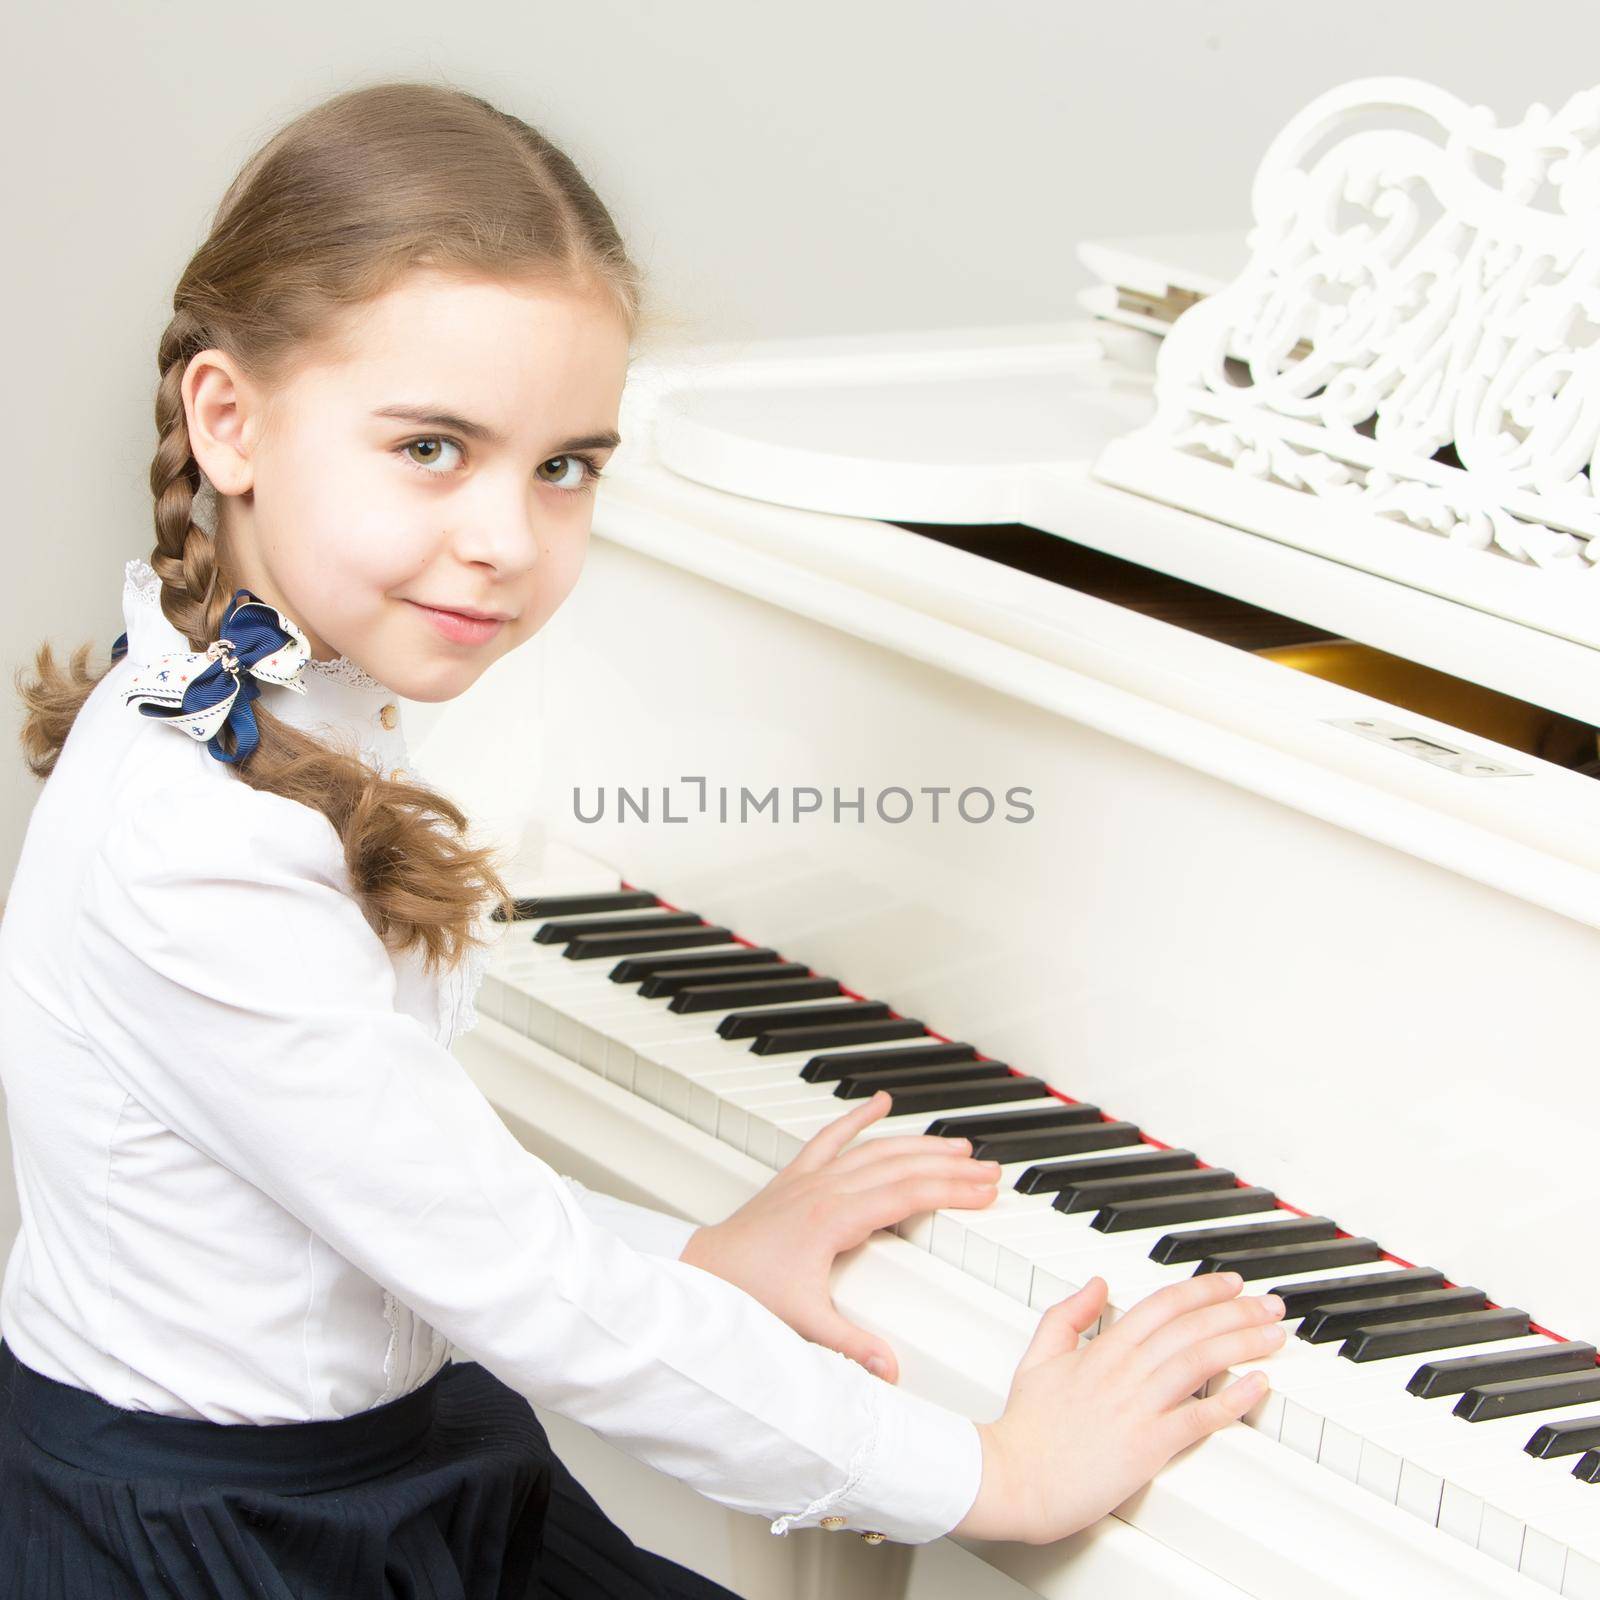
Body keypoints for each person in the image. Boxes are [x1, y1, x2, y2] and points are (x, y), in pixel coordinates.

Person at [0, 79, 1285, 1599]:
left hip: (393, 1461)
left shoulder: (309, 691)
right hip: (228, 1543)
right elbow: (507, 1273)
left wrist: (694, 1258)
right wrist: (984, 1476)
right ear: (230, 420)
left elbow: (418, 1181)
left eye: (567, 466)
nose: (507, 538)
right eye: (432, 447)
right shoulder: (197, 839)